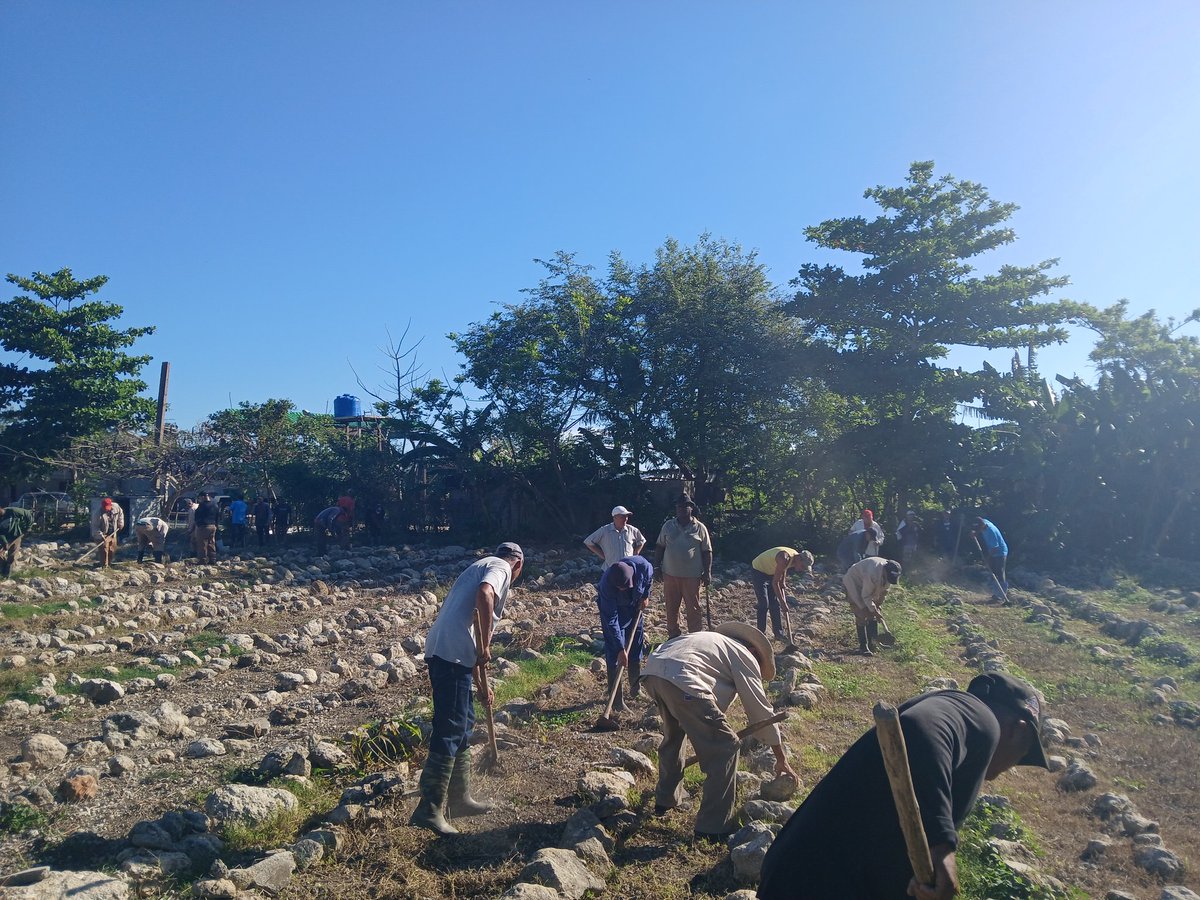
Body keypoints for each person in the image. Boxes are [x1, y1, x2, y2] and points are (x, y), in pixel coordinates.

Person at [758, 673, 1050, 900]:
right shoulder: (981, 717)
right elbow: (919, 727)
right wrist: (942, 847)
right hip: (820, 882)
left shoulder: (961, 718)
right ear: (1018, 730)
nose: (1011, 768)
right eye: (1024, 755)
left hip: (811, 876)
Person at [642, 622, 796, 842]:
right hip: (686, 680)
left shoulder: (707, 640)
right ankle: (713, 827)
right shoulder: (743, 654)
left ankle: (666, 798)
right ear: (754, 651)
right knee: (725, 747)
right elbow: (760, 710)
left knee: (674, 735)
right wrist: (780, 756)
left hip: (654, 674)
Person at [410, 542, 524, 835]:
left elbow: (469, 626)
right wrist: (486, 644)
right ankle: (428, 808)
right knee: (450, 727)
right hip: (450, 654)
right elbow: (485, 595)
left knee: (463, 724)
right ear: (518, 564)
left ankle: (459, 800)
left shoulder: (480, 566)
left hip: (450, 651)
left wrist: (478, 681)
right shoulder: (500, 568)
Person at [596, 555, 654, 711]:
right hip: (616, 613)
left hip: (634, 607)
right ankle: (616, 701)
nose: (622, 589)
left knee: (636, 646)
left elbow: (649, 577)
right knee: (615, 653)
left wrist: (645, 595)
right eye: (619, 588)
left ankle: (635, 689)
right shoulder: (607, 585)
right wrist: (621, 649)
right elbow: (611, 621)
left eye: (624, 587)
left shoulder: (642, 566)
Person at [653, 494, 713, 637]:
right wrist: (656, 567)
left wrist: (708, 572)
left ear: (691, 508)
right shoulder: (668, 525)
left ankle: (695, 636)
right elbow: (659, 547)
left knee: (693, 608)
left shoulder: (700, 528)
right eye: (679, 506)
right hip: (670, 574)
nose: (681, 509)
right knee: (671, 607)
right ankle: (674, 635)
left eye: (684, 506)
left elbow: (707, 551)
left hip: (692, 575)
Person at [750, 546, 814, 641]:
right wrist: (783, 603)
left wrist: (783, 581)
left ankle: (779, 634)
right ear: (799, 559)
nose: (802, 569)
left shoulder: (794, 557)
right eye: (803, 566)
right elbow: (775, 582)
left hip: (771, 570)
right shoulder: (784, 558)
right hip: (759, 570)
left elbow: (784, 568)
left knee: (775, 604)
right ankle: (761, 635)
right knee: (764, 603)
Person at [842, 556, 902, 655]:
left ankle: (873, 644)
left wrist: (877, 606)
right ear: (885, 572)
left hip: (867, 585)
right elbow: (866, 596)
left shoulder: (888, 573)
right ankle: (863, 646)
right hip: (855, 582)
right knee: (861, 612)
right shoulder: (872, 573)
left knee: (872, 613)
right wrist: (873, 609)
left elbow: (884, 592)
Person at [584, 505, 647, 571]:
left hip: (628, 569)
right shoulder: (604, 530)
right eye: (622, 516)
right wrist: (602, 555)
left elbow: (641, 541)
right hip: (610, 569)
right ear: (615, 517)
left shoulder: (632, 530)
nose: (625, 519)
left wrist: (635, 553)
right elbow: (588, 542)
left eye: (626, 516)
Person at [972, 516, 1009, 600]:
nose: (979, 531)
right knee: (993, 571)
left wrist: (987, 559)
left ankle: (1002, 595)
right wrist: (975, 533)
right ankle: (996, 593)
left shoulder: (990, 531)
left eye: (979, 529)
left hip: (1000, 552)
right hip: (992, 550)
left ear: (982, 526)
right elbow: (978, 527)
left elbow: (995, 548)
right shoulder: (984, 522)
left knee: (1000, 572)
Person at [0, 505, 35, 578]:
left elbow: (27, 514)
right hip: (6, 537)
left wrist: (28, 528)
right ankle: (3, 570)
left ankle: (8, 574)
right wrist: (5, 542)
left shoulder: (12, 511)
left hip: (17, 534)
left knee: (12, 554)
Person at [90, 498, 125, 567]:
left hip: (113, 532)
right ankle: (104, 566)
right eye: (105, 508)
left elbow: (121, 514)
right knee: (104, 550)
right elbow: (95, 527)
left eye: (108, 507)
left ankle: (109, 564)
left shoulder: (116, 507)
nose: (107, 509)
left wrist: (121, 523)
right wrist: (101, 535)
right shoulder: (97, 514)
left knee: (112, 549)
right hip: (102, 534)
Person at [192, 492, 220, 564]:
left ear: (203, 497)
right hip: (213, 526)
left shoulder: (202, 506)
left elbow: (197, 516)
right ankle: (213, 559)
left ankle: (202, 560)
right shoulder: (214, 505)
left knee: (202, 544)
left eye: (200, 498)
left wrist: (197, 524)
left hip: (204, 526)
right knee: (211, 543)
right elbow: (218, 516)